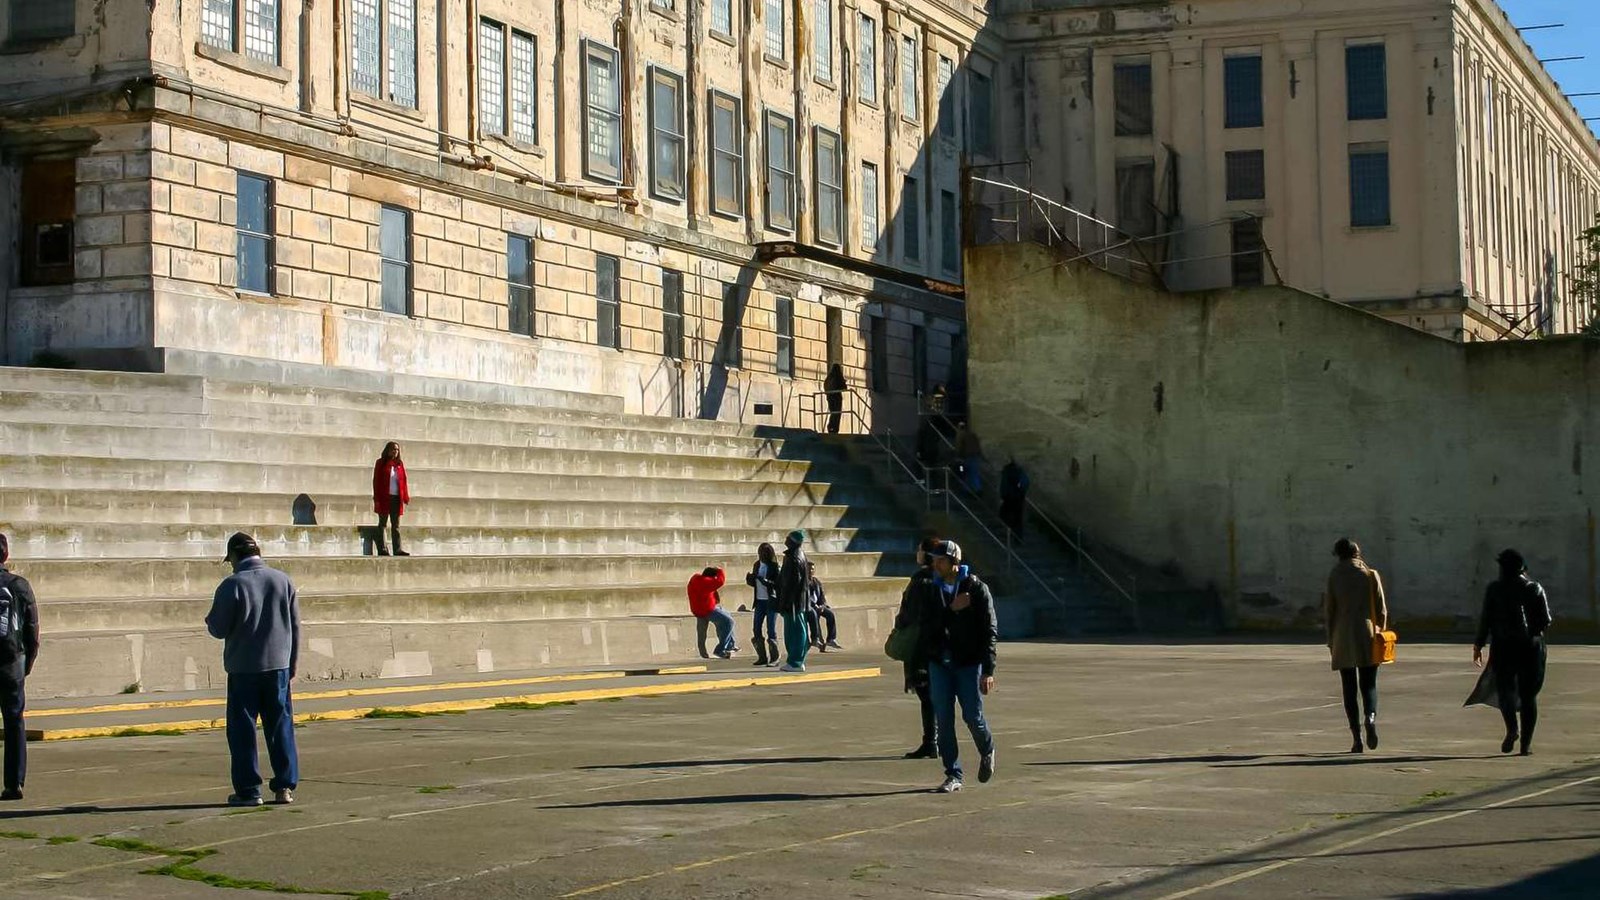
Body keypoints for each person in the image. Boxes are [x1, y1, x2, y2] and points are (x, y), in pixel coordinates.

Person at [206, 532, 301, 807]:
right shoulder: (283, 581)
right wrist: (292, 662)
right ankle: (284, 786)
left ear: (234, 556)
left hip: (243, 668)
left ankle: (249, 790)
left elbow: (218, 628)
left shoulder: (232, 584)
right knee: (281, 726)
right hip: (279, 666)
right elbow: (295, 626)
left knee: (242, 730)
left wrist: (211, 621)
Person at [914, 540, 998, 793]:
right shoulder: (930, 590)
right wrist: (951, 609)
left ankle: (987, 749)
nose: (936, 564)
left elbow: (989, 630)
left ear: (954, 562)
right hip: (940, 662)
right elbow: (927, 626)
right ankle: (953, 773)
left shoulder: (976, 589)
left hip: (968, 663)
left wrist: (989, 670)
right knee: (944, 718)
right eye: (934, 560)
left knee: (972, 716)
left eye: (941, 560)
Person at [1473, 549, 1553, 756]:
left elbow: (1486, 619)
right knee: (1528, 696)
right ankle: (1526, 745)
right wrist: (1534, 634)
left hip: (1502, 646)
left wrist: (1479, 645)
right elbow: (1546, 620)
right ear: (1523, 568)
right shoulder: (1534, 588)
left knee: (1505, 691)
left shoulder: (1494, 589)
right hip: (1530, 648)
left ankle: (1512, 729)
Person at [1323, 538, 1388, 754]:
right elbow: (1381, 610)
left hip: (1342, 635)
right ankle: (1370, 717)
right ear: (1357, 552)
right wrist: (1380, 631)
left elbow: (1330, 611)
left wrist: (1331, 639)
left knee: (1348, 688)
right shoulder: (1370, 574)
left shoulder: (1334, 575)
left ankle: (1356, 738)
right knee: (1369, 684)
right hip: (1367, 634)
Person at [0, 534, 40, 801]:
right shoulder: (19, 585)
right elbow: (32, 629)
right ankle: (14, 783)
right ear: (6, 555)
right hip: (11, 660)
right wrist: (29, 661)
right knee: (14, 722)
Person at [897, 536, 941, 760]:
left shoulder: (921, 580)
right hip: (939, 643)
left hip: (921, 645)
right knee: (935, 695)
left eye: (919, 550)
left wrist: (900, 624)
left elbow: (910, 613)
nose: (916, 553)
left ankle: (931, 742)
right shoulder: (942, 579)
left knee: (927, 696)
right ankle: (937, 741)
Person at [776, 531, 811, 672]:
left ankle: (795, 661)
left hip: (793, 602)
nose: (786, 540)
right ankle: (795, 660)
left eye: (788, 538)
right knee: (796, 631)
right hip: (796, 601)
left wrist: (787, 601)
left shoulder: (794, 557)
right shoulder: (797, 555)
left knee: (794, 632)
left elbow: (793, 583)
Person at [688, 567, 738, 659]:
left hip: (699, 610)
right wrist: (720, 570)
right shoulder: (705, 582)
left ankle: (706, 653)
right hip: (708, 610)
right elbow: (720, 581)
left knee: (703, 633)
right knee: (729, 621)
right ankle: (721, 649)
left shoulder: (696, 578)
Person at [372, 441, 411, 557]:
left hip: (396, 498)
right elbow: (376, 481)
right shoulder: (380, 463)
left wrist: (405, 496)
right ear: (388, 450)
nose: (395, 451)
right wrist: (376, 497)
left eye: (397, 449)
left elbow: (403, 481)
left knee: (396, 525)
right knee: (383, 524)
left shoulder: (399, 464)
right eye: (393, 449)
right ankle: (383, 549)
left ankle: (398, 549)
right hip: (384, 497)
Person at [745, 543, 780, 667]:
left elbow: (777, 584)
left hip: (771, 601)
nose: (762, 555)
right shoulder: (757, 565)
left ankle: (775, 658)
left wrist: (764, 581)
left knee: (771, 629)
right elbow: (754, 583)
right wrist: (750, 579)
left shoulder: (774, 566)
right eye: (760, 552)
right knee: (756, 629)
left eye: (765, 553)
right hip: (759, 601)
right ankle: (762, 656)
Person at [804, 560, 843, 652]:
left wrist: (822, 605)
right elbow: (805, 597)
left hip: (819, 606)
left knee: (830, 614)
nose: (810, 571)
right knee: (814, 615)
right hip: (808, 607)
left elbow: (822, 596)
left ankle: (831, 639)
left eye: (812, 569)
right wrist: (815, 606)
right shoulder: (803, 582)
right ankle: (816, 639)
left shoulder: (816, 582)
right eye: (808, 569)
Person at [999, 458, 1030, 536]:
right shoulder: (1020, 472)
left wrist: (1003, 496)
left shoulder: (1006, 472)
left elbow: (1004, 486)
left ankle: (1009, 532)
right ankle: (1018, 536)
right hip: (1019, 498)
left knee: (1004, 515)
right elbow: (1026, 483)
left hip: (1009, 498)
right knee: (1018, 518)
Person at [953, 421, 984, 494]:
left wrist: (958, 456)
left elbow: (959, 447)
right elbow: (977, 446)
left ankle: (966, 490)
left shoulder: (961, 435)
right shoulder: (973, 434)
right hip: (975, 456)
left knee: (964, 473)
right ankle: (978, 489)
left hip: (966, 458)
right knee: (974, 473)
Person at [824, 363, 847, 434]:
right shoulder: (837, 376)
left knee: (833, 412)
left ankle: (830, 426)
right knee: (837, 413)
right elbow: (843, 387)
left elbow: (826, 386)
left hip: (829, 397)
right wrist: (844, 382)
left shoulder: (828, 377)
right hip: (836, 397)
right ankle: (834, 428)